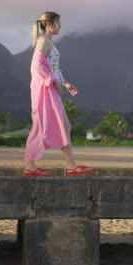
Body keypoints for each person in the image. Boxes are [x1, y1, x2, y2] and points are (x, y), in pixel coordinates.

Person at [23, 11, 94, 177]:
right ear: (49, 24)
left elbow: (52, 68)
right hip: (45, 89)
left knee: (63, 125)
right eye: (58, 23)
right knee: (43, 125)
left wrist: (65, 82)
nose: (60, 27)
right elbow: (36, 67)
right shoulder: (43, 41)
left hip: (50, 88)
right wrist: (53, 81)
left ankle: (67, 164)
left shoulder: (47, 42)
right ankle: (65, 165)